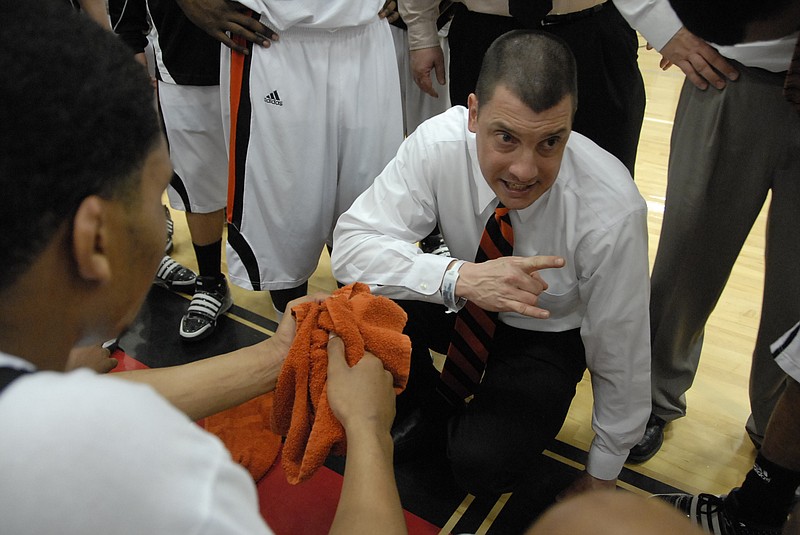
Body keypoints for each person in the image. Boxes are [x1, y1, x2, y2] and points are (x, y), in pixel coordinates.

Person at [0, 2, 406, 533]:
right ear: (94, 240)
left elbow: (69, 407)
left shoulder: (43, 406)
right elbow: (81, 424)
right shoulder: (160, 478)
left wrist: (274, 357)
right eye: (157, 200)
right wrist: (370, 430)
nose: (168, 219)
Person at [332, 30, 651, 498]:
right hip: (464, 296)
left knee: (479, 465)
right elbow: (351, 245)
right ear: (474, 114)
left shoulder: (611, 207)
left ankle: (467, 419)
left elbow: (621, 346)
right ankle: (423, 402)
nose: (525, 169)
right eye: (506, 137)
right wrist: (458, 276)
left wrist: (602, 472)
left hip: (545, 334)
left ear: (571, 125)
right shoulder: (437, 144)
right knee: (356, 308)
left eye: (550, 142)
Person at [613, 0, 800, 463]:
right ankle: (654, 394)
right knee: (687, 257)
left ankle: (782, 427)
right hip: (728, 77)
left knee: (795, 289)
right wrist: (662, 22)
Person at [177, 0, 404, 321]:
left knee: (370, 214)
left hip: (368, 30)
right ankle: (294, 349)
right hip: (276, 36)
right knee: (285, 224)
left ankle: (357, 344)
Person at [398, 0, 646, 177]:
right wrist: (422, 33)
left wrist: (664, 21)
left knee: (605, 169)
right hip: (484, 30)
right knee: (487, 169)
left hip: (593, 28)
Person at [111, 0, 236, 342]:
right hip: (182, 70)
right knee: (198, 184)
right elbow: (126, 19)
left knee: (281, 179)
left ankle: (292, 288)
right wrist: (132, 50)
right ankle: (211, 283)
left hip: (268, 62)